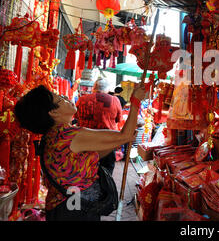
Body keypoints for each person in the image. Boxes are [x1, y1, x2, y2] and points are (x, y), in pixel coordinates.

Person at [14, 83, 147, 221]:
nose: (66, 98)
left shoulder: (52, 136)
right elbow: (125, 135)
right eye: (60, 98)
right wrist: (136, 101)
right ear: (53, 112)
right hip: (74, 209)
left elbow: (91, 156)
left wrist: (116, 141)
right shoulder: (69, 135)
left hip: (63, 207)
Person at [74, 78, 122, 175]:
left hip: (86, 142)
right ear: (108, 89)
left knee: (85, 171)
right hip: (106, 143)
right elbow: (118, 119)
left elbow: (76, 117)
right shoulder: (114, 100)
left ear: (94, 88)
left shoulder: (82, 99)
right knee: (106, 173)